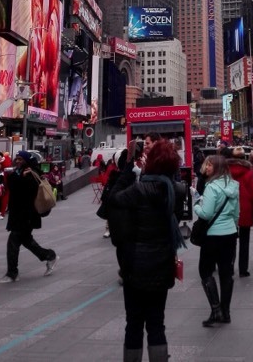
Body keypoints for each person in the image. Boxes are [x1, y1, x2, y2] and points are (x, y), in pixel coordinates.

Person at [107, 138, 186, 362]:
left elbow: (113, 200)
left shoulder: (139, 190)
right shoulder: (176, 191)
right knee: (156, 323)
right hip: (162, 266)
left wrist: (128, 170)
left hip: (135, 267)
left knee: (134, 323)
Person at [0, 151, 58, 284]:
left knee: (13, 241)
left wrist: (19, 178)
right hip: (19, 214)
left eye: (20, 159)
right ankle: (49, 255)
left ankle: (12, 273)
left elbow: (24, 189)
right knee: (26, 241)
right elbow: (12, 185)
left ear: (26, 160)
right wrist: (18, 177)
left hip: (27, 215)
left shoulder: (31, 173)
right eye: (16, 159)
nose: (17, 161)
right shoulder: (19, 172)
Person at [194, 155, 239, 327]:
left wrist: (197, 205)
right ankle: (226, 312)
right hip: (230, 233)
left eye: (209, 165)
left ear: (216, 168)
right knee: (226, 273)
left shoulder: (211, 187)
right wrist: (233, 227)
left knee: (205, 271)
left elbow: (206, 213)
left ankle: (216, 310)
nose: (206, 168)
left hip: (213, 235)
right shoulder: (234, 185)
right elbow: (236, 212)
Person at [226, 146, 253, 277]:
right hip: (245, 209)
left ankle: (229, 267)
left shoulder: (225, 171)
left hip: (229, 208)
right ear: (244, 157)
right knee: (244, 240)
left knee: (230, 241)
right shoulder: (249, 171)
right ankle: (243, 269)